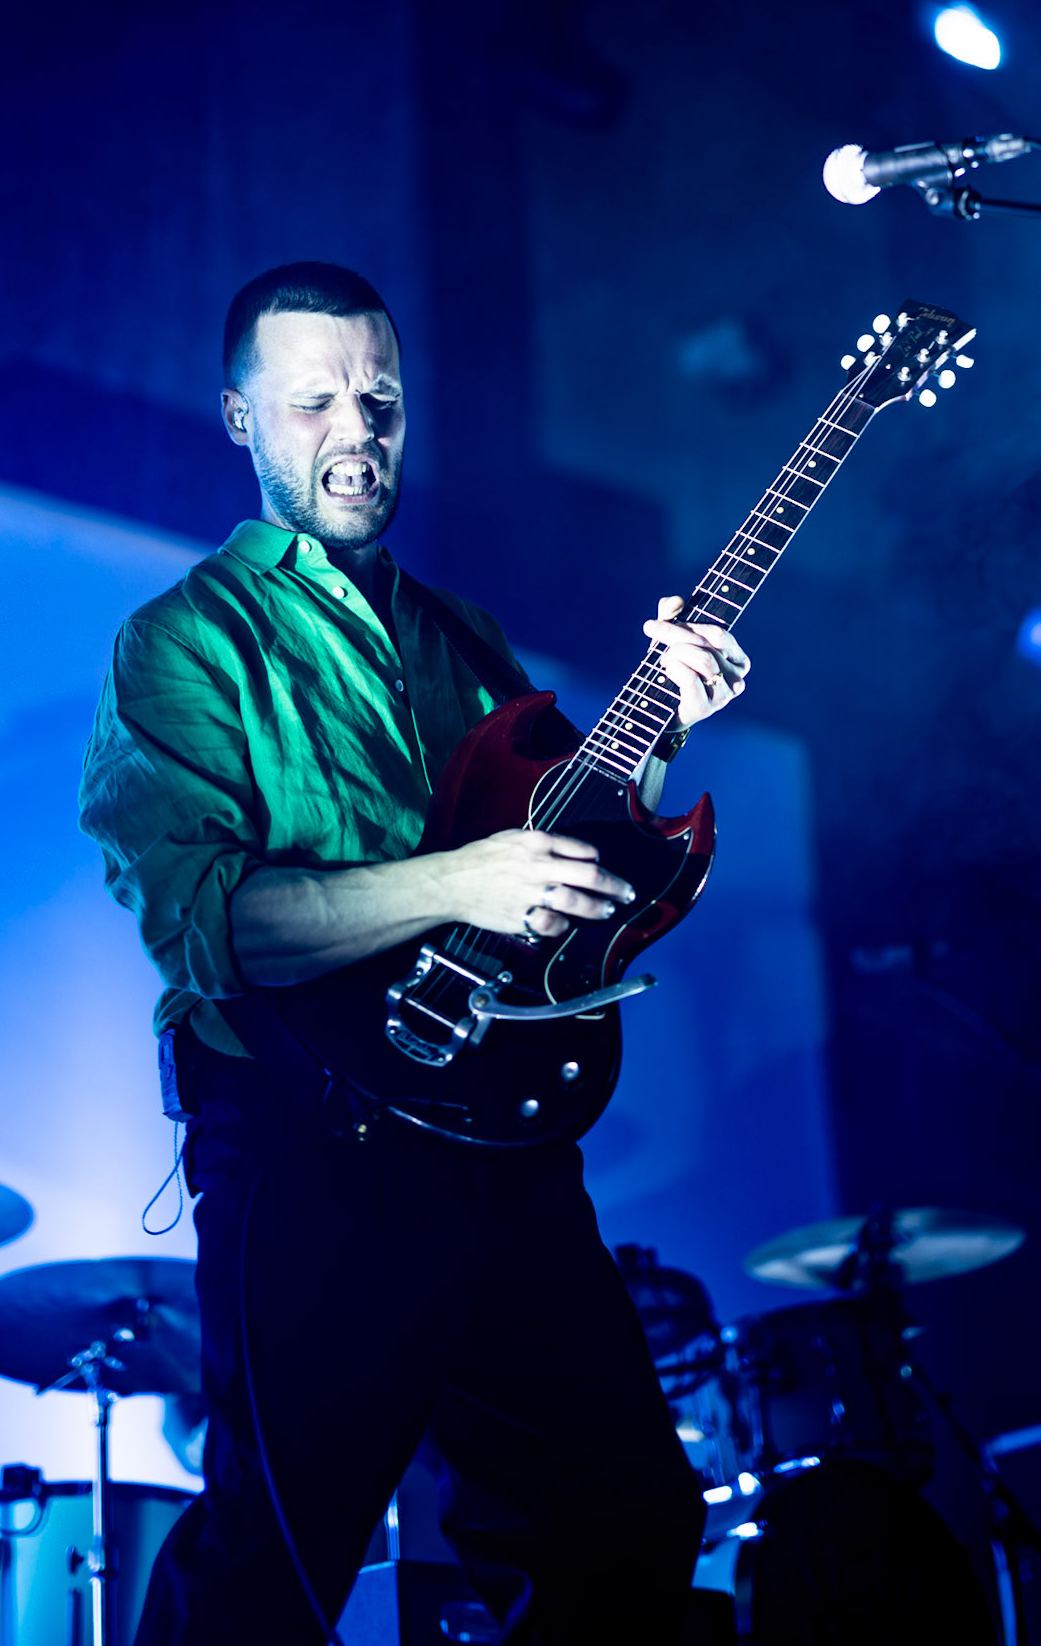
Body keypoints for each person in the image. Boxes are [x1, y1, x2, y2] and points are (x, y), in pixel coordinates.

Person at [80, 261, 752, 1644]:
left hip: (498, 1136)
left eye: (379, 399)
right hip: (310, 1141)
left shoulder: (463, 637)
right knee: (277, 1557)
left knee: (628, 1522)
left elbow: (558, 855)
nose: (357, 431)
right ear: (240, 417)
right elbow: (204, 927)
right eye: (314, 401)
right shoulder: (183, 640)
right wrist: (463, 879)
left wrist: (662, 729)